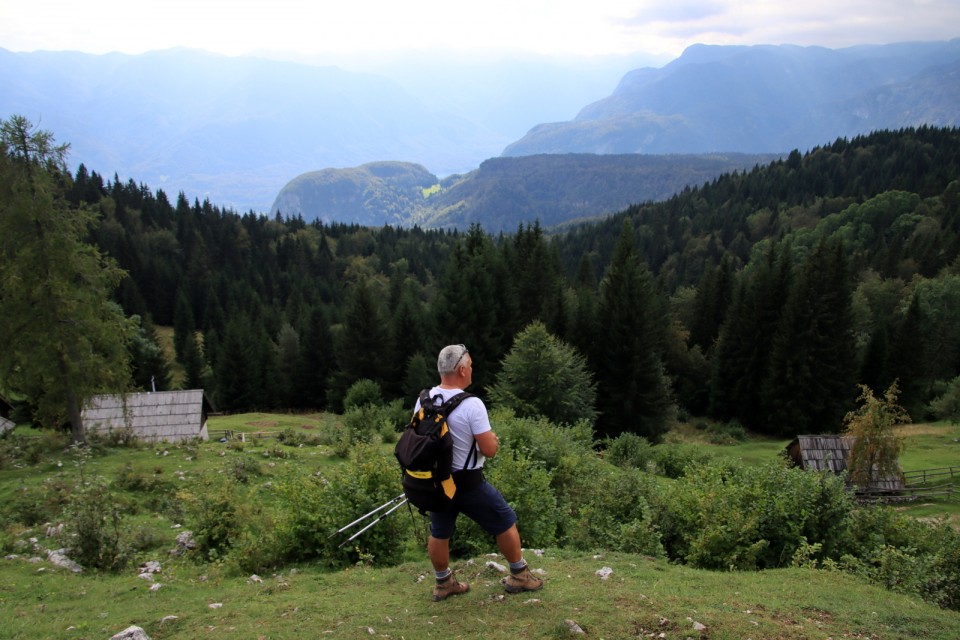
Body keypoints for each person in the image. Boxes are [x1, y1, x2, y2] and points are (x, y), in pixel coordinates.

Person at [417, 343, 544, 602]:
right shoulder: (472, 404)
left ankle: (443, 583)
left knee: (439, 531)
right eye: (471, 365)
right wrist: (493, 441)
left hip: (437, 482)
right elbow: (489, 449)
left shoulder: (424, 398)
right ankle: (519, 576)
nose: (472, 369)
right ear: (462, 369)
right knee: (505, 521)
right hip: (467, 483)